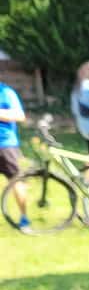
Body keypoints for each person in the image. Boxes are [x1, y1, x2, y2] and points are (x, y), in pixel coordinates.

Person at [0, 75, 27, 229]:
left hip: (5, 145)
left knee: (16, 181)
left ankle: (24, 219)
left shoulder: (6, 92)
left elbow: (19, 115)